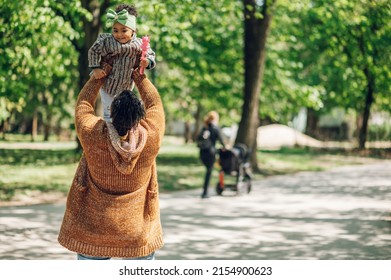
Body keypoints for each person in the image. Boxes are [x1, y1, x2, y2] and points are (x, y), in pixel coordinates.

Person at [57, 60, 165, 260]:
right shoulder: (151, 137)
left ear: (111, 114)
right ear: (140, 116)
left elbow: (83, 106)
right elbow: (155, 104)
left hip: (93, 232)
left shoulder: (93, 134)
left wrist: (100, 75)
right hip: (137, 233)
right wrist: (139, 76)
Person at [88, 3, 156, 121]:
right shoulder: (108, 42)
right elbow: (93, 51)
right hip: (108, 84)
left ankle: (124, 131)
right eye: (115, 30)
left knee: (123, 112)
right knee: (109, 113)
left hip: (126, 86)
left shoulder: (139, 44)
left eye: (124, 30)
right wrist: (96, 68)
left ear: (133, 30)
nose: (119, 35)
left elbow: (150, 54)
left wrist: (147, 61)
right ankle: (109, 133)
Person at [198, 111, 225, 199]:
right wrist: (225, 146)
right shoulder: (215, 128)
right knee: (209, 172)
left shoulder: (205, 127)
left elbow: (198, 138)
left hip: (202, 152)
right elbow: (221, 140)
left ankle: (205, 191)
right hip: (210, 152)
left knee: (208, 170)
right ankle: (205, 192)